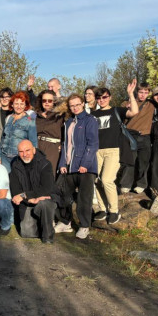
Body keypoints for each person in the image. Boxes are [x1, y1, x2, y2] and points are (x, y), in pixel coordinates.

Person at [91, 81, 138, 224]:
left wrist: (130, 94)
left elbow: (134, 112)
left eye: (104, 97)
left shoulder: (117, 110)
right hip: (97, 151)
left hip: (113, 151)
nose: (101, 100)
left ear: (109, 97)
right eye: (99, 98)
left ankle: (114, 211)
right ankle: (102, 208)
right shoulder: (93, 114)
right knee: (95, 180)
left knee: (107, 179)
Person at [119, 83, 158, 194]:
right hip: (130, 136)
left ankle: (141, 184)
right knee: (129, 162)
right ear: (136, 92)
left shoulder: (151, 103)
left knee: (143, 162)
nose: (143, 95)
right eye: (141, 92)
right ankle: (126, 184)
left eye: (146, 92)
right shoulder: (126, 103)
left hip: (145, 137)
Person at [57, 94, 99, 239]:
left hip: (85, 168)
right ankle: (65, 222)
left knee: (84, 199)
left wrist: (85, 164)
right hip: (69, 166)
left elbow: (93, 144)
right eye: (72, 105)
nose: (75, 107)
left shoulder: (90, 120)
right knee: (65, 196)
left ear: (82, 104)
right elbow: (65, 145)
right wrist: (63, 163)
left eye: (77, 104)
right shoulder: (69, 122)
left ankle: (84, 225)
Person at [9, 140, 59, 243]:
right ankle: (42, 223)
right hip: (28, 202)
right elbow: (15, 190)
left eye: (27, 150)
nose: (25, 154)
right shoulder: (15, 165)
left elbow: (47, 188)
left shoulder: (45, 164)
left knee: (45, 203)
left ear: (34, 150)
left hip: (44, 199)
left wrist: (25, 195)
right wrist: (29, 199)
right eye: (21, 151)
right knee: (27, 234)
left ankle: (48, 237)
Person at [0, 91, 37, 173]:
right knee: (5, 183)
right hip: (5, 158)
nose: (19, 106)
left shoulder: (29, 120)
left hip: (18, 158)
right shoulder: (8, 118)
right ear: (12, 104)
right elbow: (3, 139)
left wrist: (31, 160)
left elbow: (33, 142)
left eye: (22, 104)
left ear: (25, 105)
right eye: (16, 104)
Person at [35, 90, 66, 175]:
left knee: (49, 174)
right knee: (37, 174)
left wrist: (62, 145)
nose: (47, 103)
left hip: (52, 147)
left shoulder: (60, 115)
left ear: (54, 102)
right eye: (44, 100)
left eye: (50, 100)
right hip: (38, 146)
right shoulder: (37, 116)